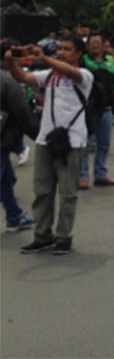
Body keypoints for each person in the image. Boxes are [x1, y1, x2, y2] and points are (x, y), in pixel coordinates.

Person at [6, 37, 93, 255]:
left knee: (67, 193)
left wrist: (44, 58)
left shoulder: (84, 76)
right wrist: (11, 61)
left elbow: (71, 73)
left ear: (79, 54)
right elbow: (23, 77)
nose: (62, 52)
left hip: (72, 141)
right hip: (46, 140)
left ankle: (63, 237)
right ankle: (42, 236)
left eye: (67, 49)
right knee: (42, 191)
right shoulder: (50, 76)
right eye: (60, 49)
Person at [78, 31, 114, 189]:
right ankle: (82, 176)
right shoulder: (82, 61)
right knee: (83, 143)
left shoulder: (110, 62)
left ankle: (100, 174)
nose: (95, 45)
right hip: (87, 108)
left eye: (98, 42)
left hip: (105, 108)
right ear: (87, 45)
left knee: (104, 143)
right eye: (92, 42)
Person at [2, 44, 39, 233]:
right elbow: (23, 113)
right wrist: (38, 135)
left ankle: (14, 217)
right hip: (2, 139)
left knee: (7, 179)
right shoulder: (9, 80)